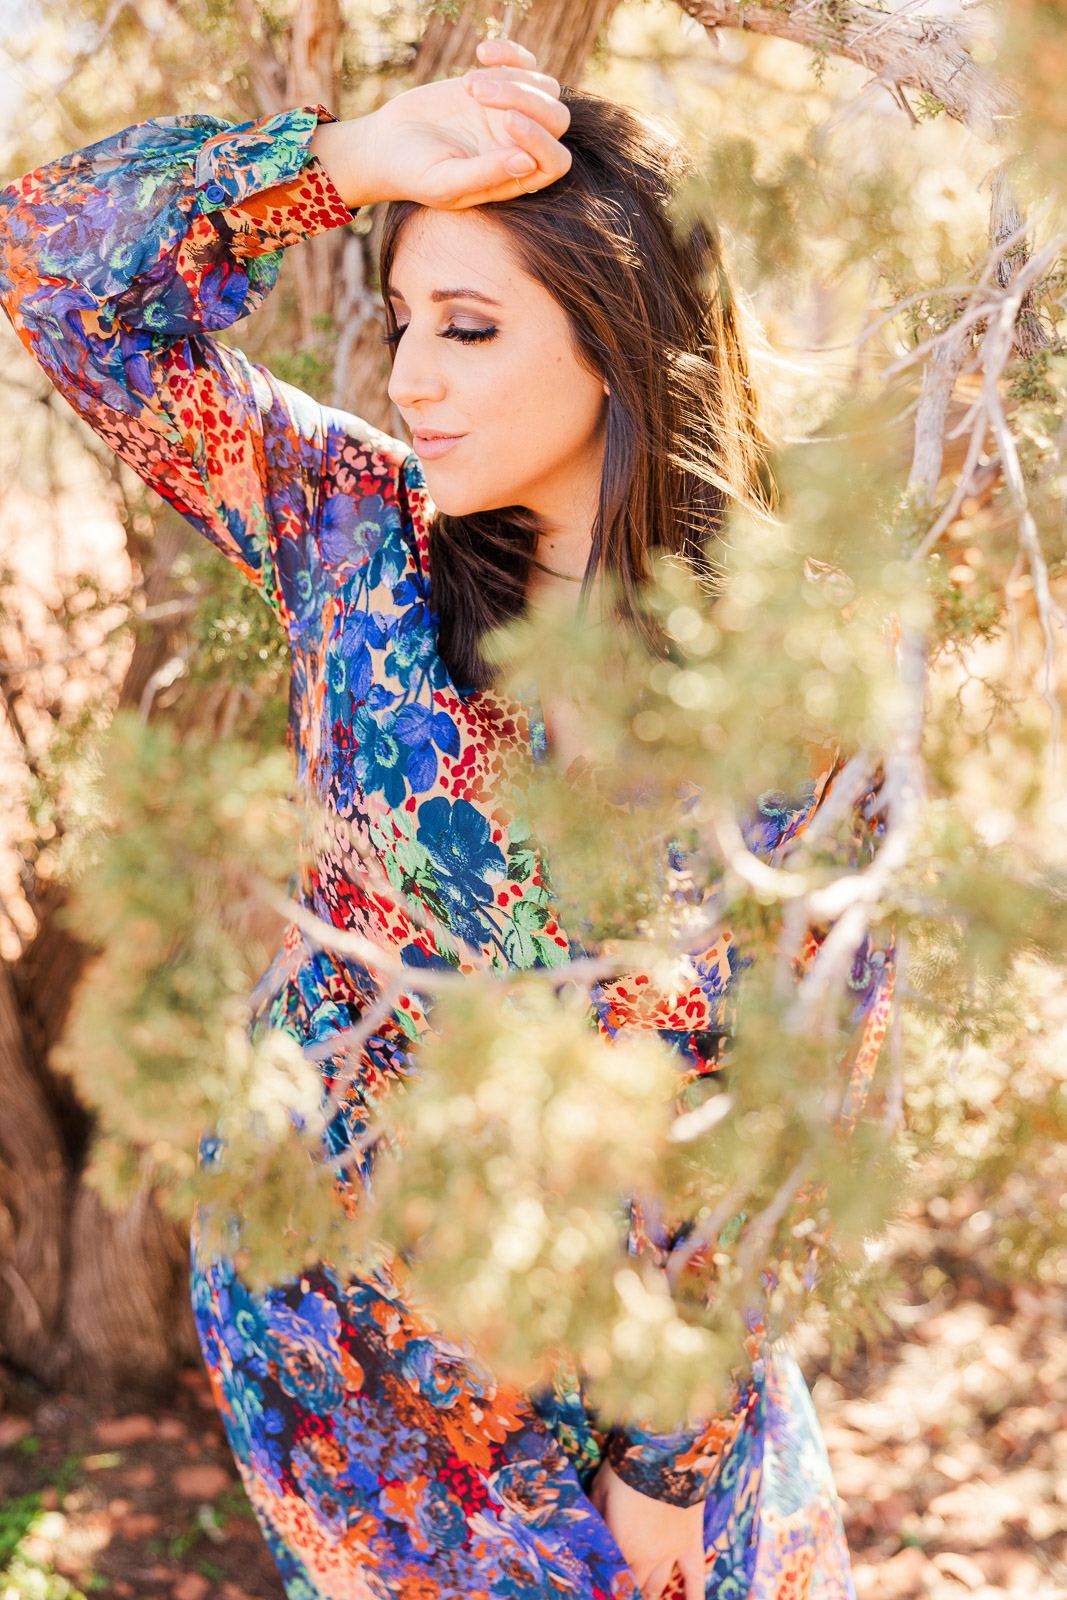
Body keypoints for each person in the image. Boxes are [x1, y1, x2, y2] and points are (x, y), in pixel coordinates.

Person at [0, 35, 893, 1600]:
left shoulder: (795, 675)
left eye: (469, 328)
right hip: (331, 1355)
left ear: (619, 339)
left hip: (623, 1388)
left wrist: (670, 1459)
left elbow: (807, 1099)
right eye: (406, 317)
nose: (409, 374)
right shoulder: (354, 535)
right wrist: (349, 157)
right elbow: (51, 257)